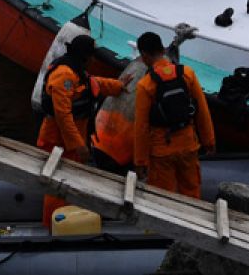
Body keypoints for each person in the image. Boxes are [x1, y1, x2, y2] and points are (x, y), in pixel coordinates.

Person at [36, 34, 128, 228]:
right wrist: (78, 145)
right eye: (91, 56)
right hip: (58, 142)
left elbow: (94, 84)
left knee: (69, 184)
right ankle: (52, 226)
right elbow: (63, 115)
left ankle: (69, 222)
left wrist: (118, 86)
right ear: (84, 56)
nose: (94, 60)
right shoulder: (64, 76)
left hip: (72, 140)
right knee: (57, 186)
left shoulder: (77, 71)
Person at [132, 32, 215, 198]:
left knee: (163, 200)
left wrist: (140, 161)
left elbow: (141, 127)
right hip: (188, 145)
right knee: (192, 193)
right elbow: (202, 111)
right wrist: (209, 141)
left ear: (144, 55)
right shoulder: (187, 73)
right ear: (162, 49)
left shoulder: (145, 85)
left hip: (162, 151)